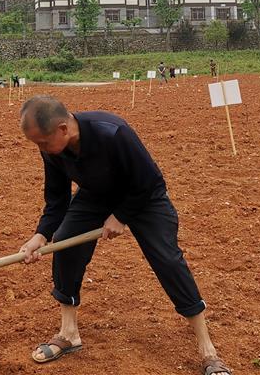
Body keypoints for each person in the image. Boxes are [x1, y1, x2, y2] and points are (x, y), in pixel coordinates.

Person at [18, 96, 231, 374]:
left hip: (143, 196)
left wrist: (121, 216)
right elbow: (57, 198)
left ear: (62, 129)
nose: (41, 149)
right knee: (65, 244)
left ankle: (207, 348)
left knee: (167, 259)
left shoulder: (113, 132)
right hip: (96, 195)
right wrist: (41, 235)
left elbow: (151, 180)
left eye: (43, 142)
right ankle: (68, 333)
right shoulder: (52, 150)